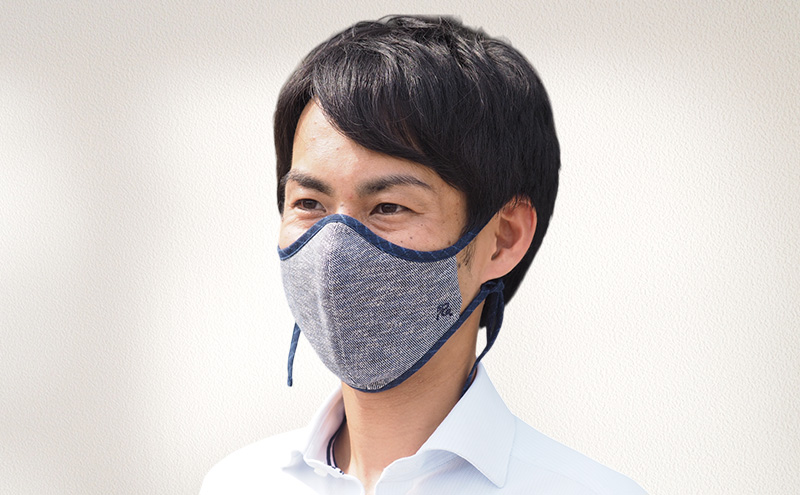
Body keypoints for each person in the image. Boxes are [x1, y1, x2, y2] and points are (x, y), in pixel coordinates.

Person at [200, 15, 646, 495]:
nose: (333, 252)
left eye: (389, 207)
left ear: (502, 237)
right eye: (309, 204)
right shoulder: (238, 482)